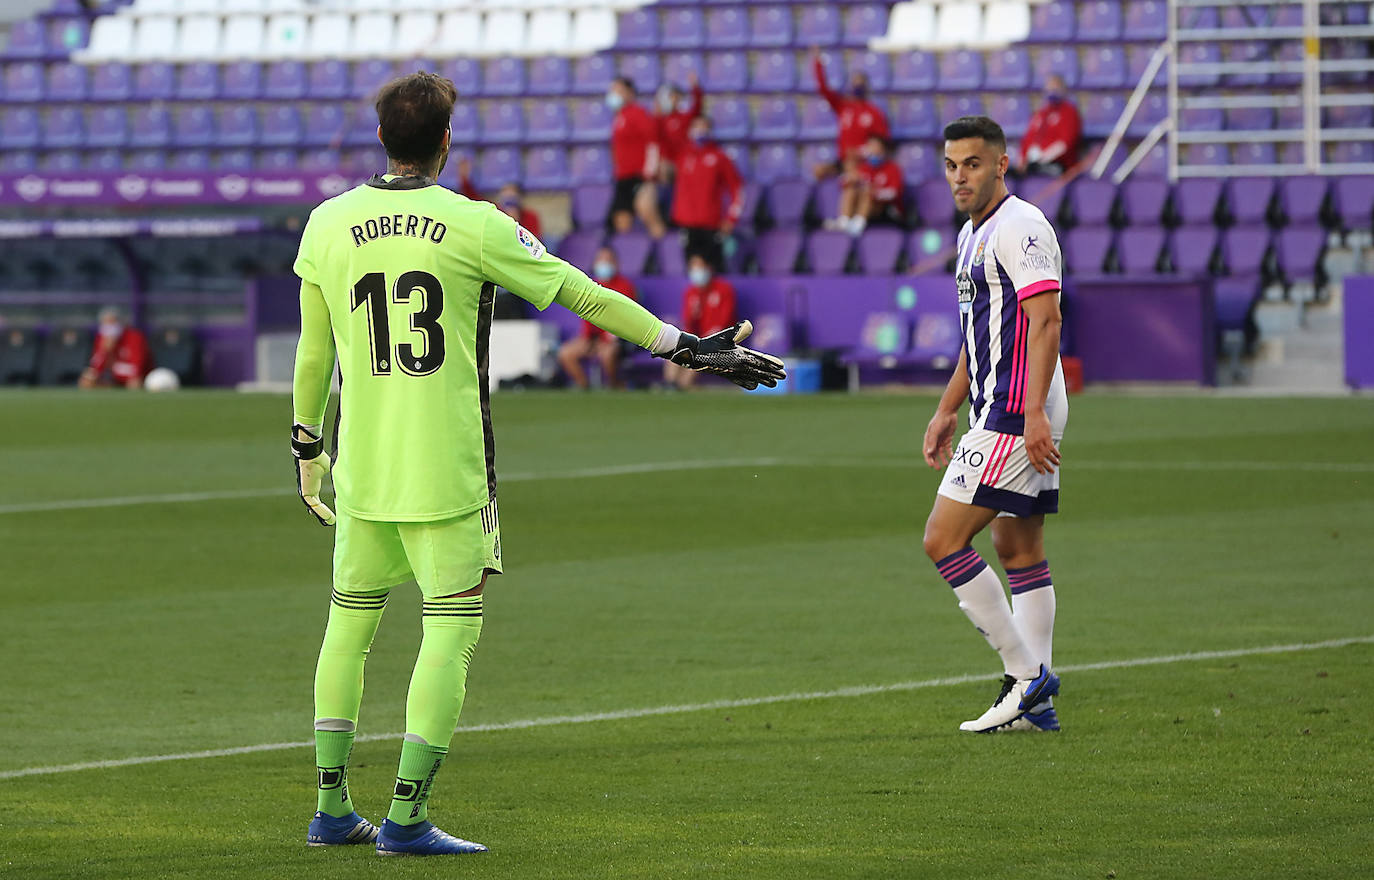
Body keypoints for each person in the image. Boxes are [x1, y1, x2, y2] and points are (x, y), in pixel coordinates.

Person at [291, 71, 783, 857]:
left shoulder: (327, 223)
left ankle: (332, 809)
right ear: (446, 142)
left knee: (349, 627)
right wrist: (685, 347)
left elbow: (315, 351)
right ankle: (408, 818)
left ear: (381, 137)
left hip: (363, 471)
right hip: (447, 473)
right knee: (449, 630)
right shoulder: (476, 225)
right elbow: (583, 295)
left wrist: (307, 449)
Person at [920, 115, 1067, 734]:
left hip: (1014, 405)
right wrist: (947, 405)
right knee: (1017, 545)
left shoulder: (1021, 226)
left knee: (943, 539)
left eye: (973, 164)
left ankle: (1025, 675)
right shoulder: (971, 233)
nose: (961, 176)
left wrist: (1031, 410)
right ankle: (1036, 708)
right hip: (994, 400)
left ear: (1001, 164)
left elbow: (1047, 320)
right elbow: (978, 334)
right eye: (952, 165)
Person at [556, 247, 638, 389]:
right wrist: (589, 339)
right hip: (592, 338)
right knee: (565, 353)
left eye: (607, 260)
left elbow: (625, 319)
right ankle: (583, 386)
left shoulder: (625, 286)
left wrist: (605, 340)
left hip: (617, 339)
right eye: (600, 260)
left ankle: (614, 386)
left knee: (607, 354)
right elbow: (586, 315)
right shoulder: (590, 284)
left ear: (616, 264)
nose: (603, 264)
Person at [669, 115, 743, 271]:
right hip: (687, 225)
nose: (700, 130)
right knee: (691, 269)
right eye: (696, 126)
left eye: (704, 127)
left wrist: (731, 218)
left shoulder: (719, 157)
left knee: (714, 270)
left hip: (711, 225)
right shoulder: (682, 156)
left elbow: (737, 189)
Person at [809, 47, 890, 181]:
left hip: (863, 163)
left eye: (861, 84)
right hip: (843, 161)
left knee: (852, 178)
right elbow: (824, 89)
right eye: (855, 83)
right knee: (818, 170)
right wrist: (818, 64)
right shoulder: (843, 107)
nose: (857, 87)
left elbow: (882, 144)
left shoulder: (873, 112)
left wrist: (860, 152)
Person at [664, 255, 737, 391]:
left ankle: (682, 388)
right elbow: (688, 323)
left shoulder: (724, 289)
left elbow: (725, 321)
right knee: (673, 350)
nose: (696, 271)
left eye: (699, 267)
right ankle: (670, 386)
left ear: (708, 268)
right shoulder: (691, 292)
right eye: (693, 267)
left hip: (721, 341)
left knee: (697, 356)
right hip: (698, 339)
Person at [607, 77, 666, 238]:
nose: (613, 94)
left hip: (639, 176)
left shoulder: (638, 114)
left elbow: (653, 143)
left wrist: (649, 173)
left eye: (618, 90)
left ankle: (664, 255)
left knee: (648, 213)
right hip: (623, 176)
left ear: (629, 92)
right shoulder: (620, 117)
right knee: (621, 220)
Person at [830, 134, 904, 236]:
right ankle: (844, 222)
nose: (872, 150)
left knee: (867, 191)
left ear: (883, 149)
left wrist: (876, 193)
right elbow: (843, 183)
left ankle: (858, 224)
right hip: (862, 205)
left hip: (885, 209)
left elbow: (894, 193)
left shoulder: (893, 168)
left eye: (875, 147)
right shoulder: (864, 167)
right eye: (870, 146)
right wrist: (850, 178)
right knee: (851, 189)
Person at [1018, 75, 1082, 176]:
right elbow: (1028, 138)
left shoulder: (1069, 112)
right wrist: (1023, 158)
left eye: (1055, 88)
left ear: (1063, 90)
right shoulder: (1042, 113)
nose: (1052, 91)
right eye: (1049, 88)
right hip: (1034, 163)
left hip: (1058, 165)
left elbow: (1066, 143)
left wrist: (1043, 158)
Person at [78, 306, 151, 389]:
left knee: (134, 383)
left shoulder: (134, 337)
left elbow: (136, 369)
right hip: (112, 377)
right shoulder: (101, 338)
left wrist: (115, 369)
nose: (109, 327)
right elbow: (96, 367)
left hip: (134, 379)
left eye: (112, 322)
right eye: (105, 323)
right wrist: (104, 351)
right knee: (87, 382)